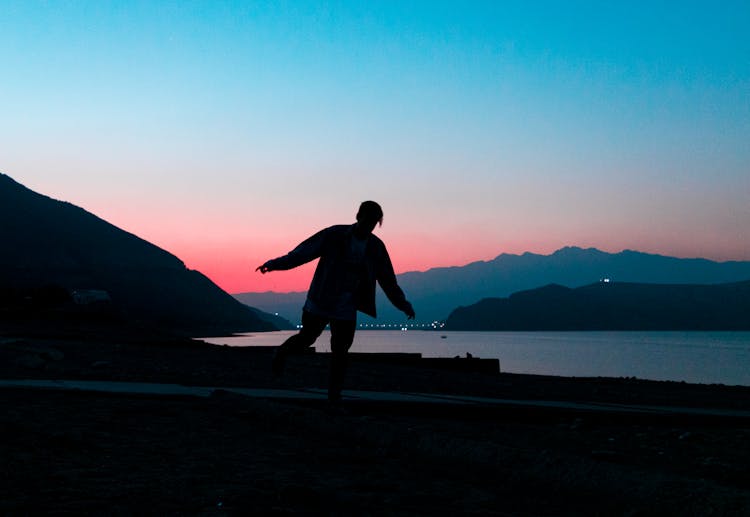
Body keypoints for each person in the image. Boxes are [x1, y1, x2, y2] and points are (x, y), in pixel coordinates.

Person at [256, 201, 415, 407]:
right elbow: (303, 253)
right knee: (307, 338)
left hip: (348, 306)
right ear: (358, 216)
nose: (370, 225)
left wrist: (403, 305)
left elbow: (388, 280)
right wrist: (274, 264)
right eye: (368, 220)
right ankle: (281, 353)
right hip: (320, 299)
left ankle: (334, 396)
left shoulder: (376, 247)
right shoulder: (334, 235)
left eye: (375, 222)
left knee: (340, 352)